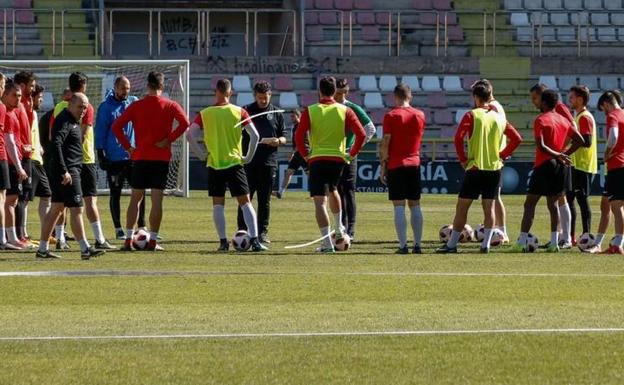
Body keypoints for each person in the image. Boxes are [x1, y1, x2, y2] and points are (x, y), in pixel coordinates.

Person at [437, 81, 522, 254]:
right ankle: (486, 245)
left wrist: (462, 159)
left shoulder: (472, 115)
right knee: (489, 208)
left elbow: (458, 138)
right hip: (494, 169)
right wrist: (502, 154)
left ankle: (452, 245)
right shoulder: (499, 117)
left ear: (476, 97)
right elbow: (517, 138)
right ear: (489, 96)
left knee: (462, 207)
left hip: (475, 168)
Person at [113, 71, 190, 251]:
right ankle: (153, 241)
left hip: (140, 157)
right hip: (161, 159)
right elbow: (185, 123)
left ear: (147, 85)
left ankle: (128, 240)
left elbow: (116, 127)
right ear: (162, 86)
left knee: (135, 199)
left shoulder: (137, 105)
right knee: (157, 201)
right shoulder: (171, 105)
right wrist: (168, 140)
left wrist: (128, 147)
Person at [187, 78, 266, 252]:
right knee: (245, 202)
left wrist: (201, 155)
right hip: (234, 163)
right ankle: (254, 240)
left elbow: (189, 135)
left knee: (218, 204)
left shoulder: (205, 113)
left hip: (215, 164)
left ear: (216, 92)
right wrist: (248, 157)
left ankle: (223, 242)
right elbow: (255, 136)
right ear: (230, 93)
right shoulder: (239, 112)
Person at [295, 76, 366, 253]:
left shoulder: (310, 110)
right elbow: (362, 134)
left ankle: (327, 243)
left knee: (320, 201)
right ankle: (339, 229)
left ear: (319, 91)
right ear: (335, 91)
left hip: (317, 158)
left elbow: (298, 136)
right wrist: (351, 154)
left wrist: (305, 155)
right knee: (334, 190)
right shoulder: (345, 110)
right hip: (338, 159)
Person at [511, 90, 584, 253]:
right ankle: (554, 243)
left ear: (544, 103)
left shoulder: (541, 120)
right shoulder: (564, 120)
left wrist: (558, 154)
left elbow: (541, 146)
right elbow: (580, 140)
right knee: (553, 205)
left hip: (544, 164)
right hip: (560, 166)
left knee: (530, 204)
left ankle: (522, 241)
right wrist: (564, 154)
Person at [36, 93, 104, 260]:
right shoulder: (64, 120)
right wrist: (64, 170)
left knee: (56, 209)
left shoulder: (72, 121)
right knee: (77, 209)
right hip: (68, 172)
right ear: (70, 104)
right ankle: (85, 248)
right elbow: (56, 144)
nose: (83, 110)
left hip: (67, 170)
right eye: (80, 106)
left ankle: (42, 249)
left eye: (85, 107)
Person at [52, 72, 114, 250]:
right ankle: (99, 239)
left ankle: (60, 239)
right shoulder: (85, 105)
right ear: (84, 86)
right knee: (89, 202)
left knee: (60, 204)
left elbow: (52, 135)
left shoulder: (58, 107)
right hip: (84, 159)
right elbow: (84, 133)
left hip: (64, 160)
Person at [95, 75, 146, 240]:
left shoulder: (134, 102)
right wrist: (100, 153)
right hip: (114, 158)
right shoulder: (106, 107)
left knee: (139, 192)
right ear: (116, 88)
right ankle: (118, 228)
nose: (126, 91)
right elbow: (100, 130)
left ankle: (142, 227)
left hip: (133, 156)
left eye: (128, 88)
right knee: (115, 192)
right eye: (123, 88)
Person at [235, 81, 286, 244]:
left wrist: (278, 140)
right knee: (245, 199)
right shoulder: (246, 111)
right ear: (255, 96)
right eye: (260, 97)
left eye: (266, 97)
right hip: (248, 161)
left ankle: (263, 232)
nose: (263, 100)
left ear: (270, 95)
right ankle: (242, 231)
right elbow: (238, 133)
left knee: (265, 200)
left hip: (268, 162)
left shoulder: (277, 112)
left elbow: (284, 136)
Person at [378, 83, 426, 254]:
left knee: (399, 206)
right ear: (410, 96)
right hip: (414, 162)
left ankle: (403, 245)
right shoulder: (420, 115)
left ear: (395, 96)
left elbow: (386, 142)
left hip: (396, 164)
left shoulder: (391, 116)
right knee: (415, 205)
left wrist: (383, 165)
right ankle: (418, 245)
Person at [530, 83, 577, 248]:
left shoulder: (559, 108)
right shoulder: (547, 113)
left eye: (535, 98)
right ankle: (558, 238)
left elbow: (573, 129)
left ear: (543, 97)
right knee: (557, 199)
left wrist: (561, 152)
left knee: (561, 198)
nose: (533, 102)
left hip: (559, 158)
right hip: (556, 157)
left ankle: (565, 238)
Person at [334, 78, 376, 240]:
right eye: (338, 93)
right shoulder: (330, 107)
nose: (341, 96)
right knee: (336, 191)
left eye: (344, 93)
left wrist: (355, 148)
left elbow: (370, 129)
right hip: (334, 154)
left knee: (349, 191)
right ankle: (340, 226)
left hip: (349, 155)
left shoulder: (352, 108)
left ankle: (351, 229)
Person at [567, 85, 598, 242]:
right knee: (570, 200)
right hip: (576, 165)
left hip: (583, 165)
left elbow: (586, 141)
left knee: (582, 201)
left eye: (572, 97)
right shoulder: (578, 117)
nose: (569, 100)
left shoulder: (584, 117)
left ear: (580, 99)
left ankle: (586, 235)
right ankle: (570, 237)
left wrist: (566, 152)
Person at [596, 90, 624, 254]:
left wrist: (607, 153)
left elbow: (613, 136)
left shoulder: (613, 115)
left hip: (617, 165)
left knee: (616, 205)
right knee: (609, 204)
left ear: (606, 104)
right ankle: (613, 241)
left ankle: (618, 244)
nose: (604, 113)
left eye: (603, 108)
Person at [2, 80, 28, 249]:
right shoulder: (7, 113)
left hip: (12, 160)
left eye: (20, 95)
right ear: (4, 94)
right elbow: (9, 141)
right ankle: (10, 237)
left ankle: (11, 236)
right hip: (9, 161)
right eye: (14, 95)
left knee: (11, 200)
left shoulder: (12, 112)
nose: (18, 99)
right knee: (9, 201)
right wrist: (18, 166)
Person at [13, 71, 36, 245]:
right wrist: (22, 147)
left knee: (24, 197)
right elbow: (12, 134)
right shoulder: (15, 105)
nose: (33, 88)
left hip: (27, 154)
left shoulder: (25, 103)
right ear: (22, 85)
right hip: (20, 156)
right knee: (18, 197)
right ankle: (17, 236)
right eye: (31, 85)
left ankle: (20, 234)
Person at [27, 84, 52, 241]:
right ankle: (20, 234)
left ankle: (46, 232)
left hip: (37, 159)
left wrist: (39, 147)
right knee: (21, 200)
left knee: (46, 195)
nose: (41, 100)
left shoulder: (34, 113)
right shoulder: (29, 113)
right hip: (30, 159)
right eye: (39, 97)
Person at [0, 74, 20, 250]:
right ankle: (4, 239)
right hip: (2, 158)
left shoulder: (11, 111)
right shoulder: (2, 109)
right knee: (4, 199)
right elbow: (8, 140)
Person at [275, 109, 306, 198]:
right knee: (288, 172)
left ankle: (318, 192)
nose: (291, 118)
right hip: (297, 154)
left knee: (310, 174)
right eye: (291, 116)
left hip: (302, 153)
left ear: (298, 116)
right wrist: (293, 152)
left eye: (293, 116)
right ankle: (280, 192)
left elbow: (304, 140)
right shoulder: (294, 126)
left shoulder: (302, 126)